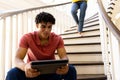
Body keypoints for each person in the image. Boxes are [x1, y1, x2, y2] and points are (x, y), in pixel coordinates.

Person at [6, 12, 76, 80]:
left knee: (71, 70)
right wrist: (25, 66)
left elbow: (63, 56)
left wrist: (65, 65)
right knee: (12, 73)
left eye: (49, 27)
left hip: (51, 72)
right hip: (33, 72)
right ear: (37, 25)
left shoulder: (57, 39)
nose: (47, 30)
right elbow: (17, 59)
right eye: (43, 26)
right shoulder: (27, 38)